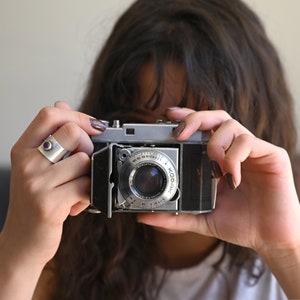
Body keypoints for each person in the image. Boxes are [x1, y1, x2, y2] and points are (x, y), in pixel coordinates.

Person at [0, 0, 299, 299]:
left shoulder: (286, 224)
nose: (155, 165)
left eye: (195, 132)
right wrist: (18, 253)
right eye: (139, 131)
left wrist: (285, 249)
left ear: (249, 127)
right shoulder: (63, 242)